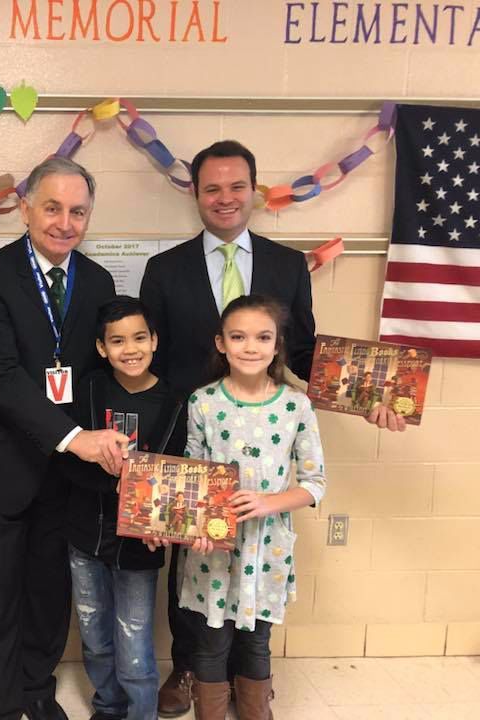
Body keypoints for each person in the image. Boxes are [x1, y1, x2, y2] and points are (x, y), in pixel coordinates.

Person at [139, 139, 401, 717]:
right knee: (193, 561)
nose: (224, 199)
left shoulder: (286, 264)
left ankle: (248, 678)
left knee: (251, 565)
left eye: (236, 187)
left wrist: (368, 399)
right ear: (196, 195)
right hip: (194, 433)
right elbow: (149, 363)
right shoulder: (163, 269)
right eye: (212, 188)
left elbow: (305, 350)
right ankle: (189, 668)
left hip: (263, 444)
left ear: (253, 191)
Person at [0, 157, 127, 720]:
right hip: (2, 465)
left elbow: (103, 374)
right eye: (52, 207)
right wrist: (74, 437)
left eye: (78, 211)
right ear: (25, 207)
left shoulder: (97, 282)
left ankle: (35, 687)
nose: (64, 222)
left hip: (68, 475)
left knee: (51, 592)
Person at [174, 294, 325, 719]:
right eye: (238, 337)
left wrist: (267, 502)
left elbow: (314, 485)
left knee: (256, 642)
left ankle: (256, 710)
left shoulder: (296, 405)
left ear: (277, 346)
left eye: (262, 337)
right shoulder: (202, 402)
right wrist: (195, 527)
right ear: (221, 343)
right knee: (211, 641)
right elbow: (192, 480)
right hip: (213, 552)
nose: (250, 347)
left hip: (267, 551)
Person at [61, 296, 184, 720]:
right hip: (85, 534)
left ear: (155, 341)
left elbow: (180, 476)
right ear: (101, 348)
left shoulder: (175, 401)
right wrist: (108, 474)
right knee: (94, 634)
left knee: (133, 639)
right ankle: (107, 706)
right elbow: (64, 460)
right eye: (117, 341)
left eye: (138, 338)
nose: (129, 349)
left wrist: (158, 515)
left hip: (140, 545)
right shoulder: (87, 390)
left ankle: (140, 712)